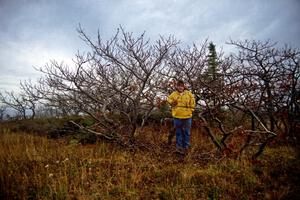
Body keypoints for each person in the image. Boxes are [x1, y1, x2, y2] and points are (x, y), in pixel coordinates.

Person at [167, 80, 195, 154]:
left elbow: (193, 102)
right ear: (177, 86)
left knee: (187, 132)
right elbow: (168, 99)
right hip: (177, 116)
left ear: (184, 86)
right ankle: (179, 148)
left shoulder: (189, 94)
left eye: (181, 86)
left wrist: (191, 110)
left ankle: (186, 147)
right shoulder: (174, 94)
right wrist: (172, 102)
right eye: (179, 86)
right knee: (178, 132)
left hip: (187, 116)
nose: (180, 87)